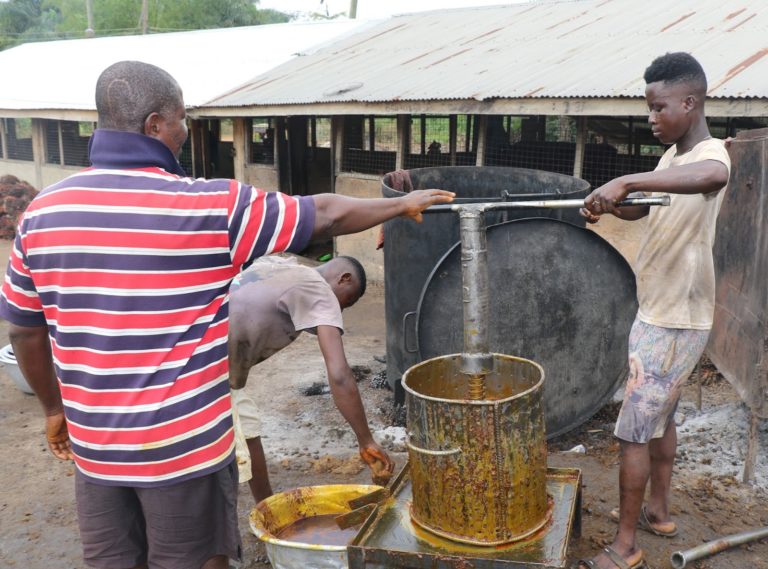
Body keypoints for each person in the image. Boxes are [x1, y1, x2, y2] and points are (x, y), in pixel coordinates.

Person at [0, 60, 453, 569]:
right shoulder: (208, 205)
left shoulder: (41, 214)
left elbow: (23, 330)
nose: (186, 129)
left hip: (97, 451)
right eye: (181, 118)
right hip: (184, 447)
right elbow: (323, 213)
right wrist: (398, 205)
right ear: (154, 125)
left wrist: (54, 410)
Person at [578, 52, 730, 569]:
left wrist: (631, 180)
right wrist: (614, 201)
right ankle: (659, 512)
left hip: (671, 320)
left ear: (690, 103)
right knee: (660, 418)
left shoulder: (711, 154)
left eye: (657, 107)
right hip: (664, 310)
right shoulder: (670, 160)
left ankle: (625, 546)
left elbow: (712, 177)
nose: (651, 117)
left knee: (632, 430)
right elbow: (648, 206)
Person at [227, 254, 394, 503]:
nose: (338, 312)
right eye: (345, 303)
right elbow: (339, 376)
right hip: (207, 374)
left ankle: (267, 508)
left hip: (197, 356)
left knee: (248, 428)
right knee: (213, 459)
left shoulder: (278, 264)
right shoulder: (318, 289)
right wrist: (366, 440)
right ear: (343, 279)